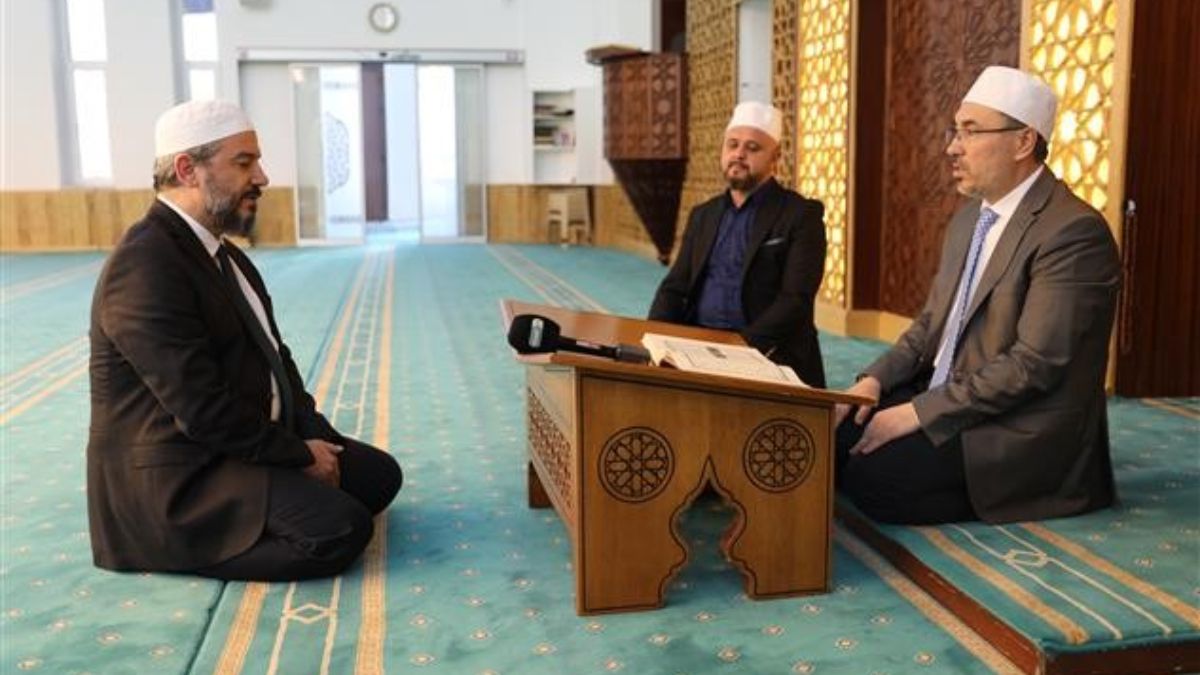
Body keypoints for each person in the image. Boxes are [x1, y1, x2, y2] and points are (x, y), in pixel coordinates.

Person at [87, 100, 402, 581]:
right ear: (187, 170)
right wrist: (299, 456)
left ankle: (282, 489)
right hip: (181, 475)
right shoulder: (145, 265)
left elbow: (278, 360)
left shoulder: (222, 255)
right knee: (340, 530)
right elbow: (201, 408)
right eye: (243, 162)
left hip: (237, 445)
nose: (262, 177)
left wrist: (313, 434)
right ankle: (164, 547)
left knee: (378, 477)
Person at [834, 66, 1119, 525]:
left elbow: (1034, 365)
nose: (952, 147)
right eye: (955, 131)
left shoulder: (1073, 232)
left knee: (877, 479)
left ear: (1023, 142)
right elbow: (931, 325)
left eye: (970, 131)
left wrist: (919, 414)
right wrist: (874, 382)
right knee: (829, 435)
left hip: (1017, 422)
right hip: (952, 389)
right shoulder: (970, 218)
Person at [649, 101, 828, 388]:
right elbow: (675, 287)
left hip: (767, 351)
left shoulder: (800, 215)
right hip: (699, 343)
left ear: (776, 158)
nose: (739, 154)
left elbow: (795, 300)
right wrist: (654, 337)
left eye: (752, 148)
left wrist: (738, 350)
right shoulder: (703, 215)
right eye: (732, 145)